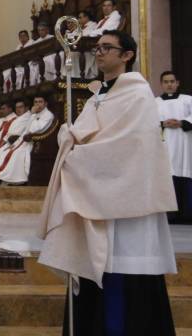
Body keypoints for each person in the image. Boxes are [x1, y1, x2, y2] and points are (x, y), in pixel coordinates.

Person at [38, 30, 177, 335]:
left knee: (123, 270)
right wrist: (69, 139)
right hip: (96, 194)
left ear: (127, 55)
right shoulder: (98, 96)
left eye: (107, 48)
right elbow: (86, 136)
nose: (99, 52)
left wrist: (78, 156)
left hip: (128, 201)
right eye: (97, 47)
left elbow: (129, 145)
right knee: (93, 265)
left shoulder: (138, 95)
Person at [0, 96, 54, 185]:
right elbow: (25, 131)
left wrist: (32, 115)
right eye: (36, 102)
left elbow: (34, 129)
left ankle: (13, 179)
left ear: (45, 104)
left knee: (17, 153)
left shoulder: (48, 115)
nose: (37, 104)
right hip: (26, 140)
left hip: (37, 142)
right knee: (5, 151)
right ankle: (0, 177)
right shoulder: (35, 114)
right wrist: (16, 143)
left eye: (40, 102)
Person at [156, 70, 192, 224]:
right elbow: (147, 121)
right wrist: (162, 123)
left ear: (177, 83)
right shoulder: (155, 102)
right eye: (166, 82)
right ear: (161, 84)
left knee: (185, 175)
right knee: (167, 175)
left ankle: (187, 215)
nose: (169, 84)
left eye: (172, 81)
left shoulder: (188, 100)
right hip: (165, 145)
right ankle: (170, 216)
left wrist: (182, 122)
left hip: (184, 145)